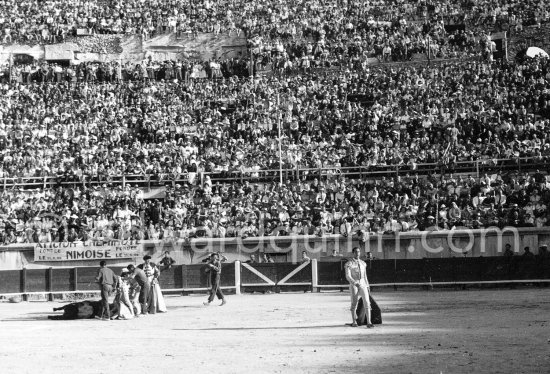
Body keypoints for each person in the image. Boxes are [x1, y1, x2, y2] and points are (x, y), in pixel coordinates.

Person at [345, 247, 373, 328]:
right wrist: (354, 282)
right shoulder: (349, 263)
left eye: (359, 252)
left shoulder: (363, 263)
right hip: (354, 284)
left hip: (363, 283)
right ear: (353, 253)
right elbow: (348, 276)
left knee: (367, 302)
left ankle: (369, 322)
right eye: (356, 252)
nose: (358, 253)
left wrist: (368, 285)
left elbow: (365, 276)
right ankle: (354, 322)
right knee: (354, 303)